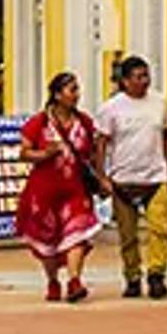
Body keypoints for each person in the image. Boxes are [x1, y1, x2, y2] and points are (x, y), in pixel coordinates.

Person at [90, 54, 167, 300]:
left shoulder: (159, 103)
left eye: (146, 75)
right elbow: (101, 144)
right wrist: (102, 176)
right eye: (138, 77)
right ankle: (132, 276)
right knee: (128, 235)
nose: (144, 81)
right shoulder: (111, 108)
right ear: (125, 81)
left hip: (155, 176)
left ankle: (157, 274)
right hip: (123, 179)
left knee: (159, 229)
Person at [15, 73, 104, 302]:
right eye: (71, 90)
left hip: (75, 189)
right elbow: (23, 153)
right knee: (48, 241)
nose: (77, 95)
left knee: (77, 234)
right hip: (44, 192)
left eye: (77, 90)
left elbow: (92, 154)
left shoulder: (84, 122)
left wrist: (101, 178)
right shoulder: (39, 123)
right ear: (57, 95)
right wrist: (44, 153)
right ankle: (53, 280)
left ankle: (75, 281)